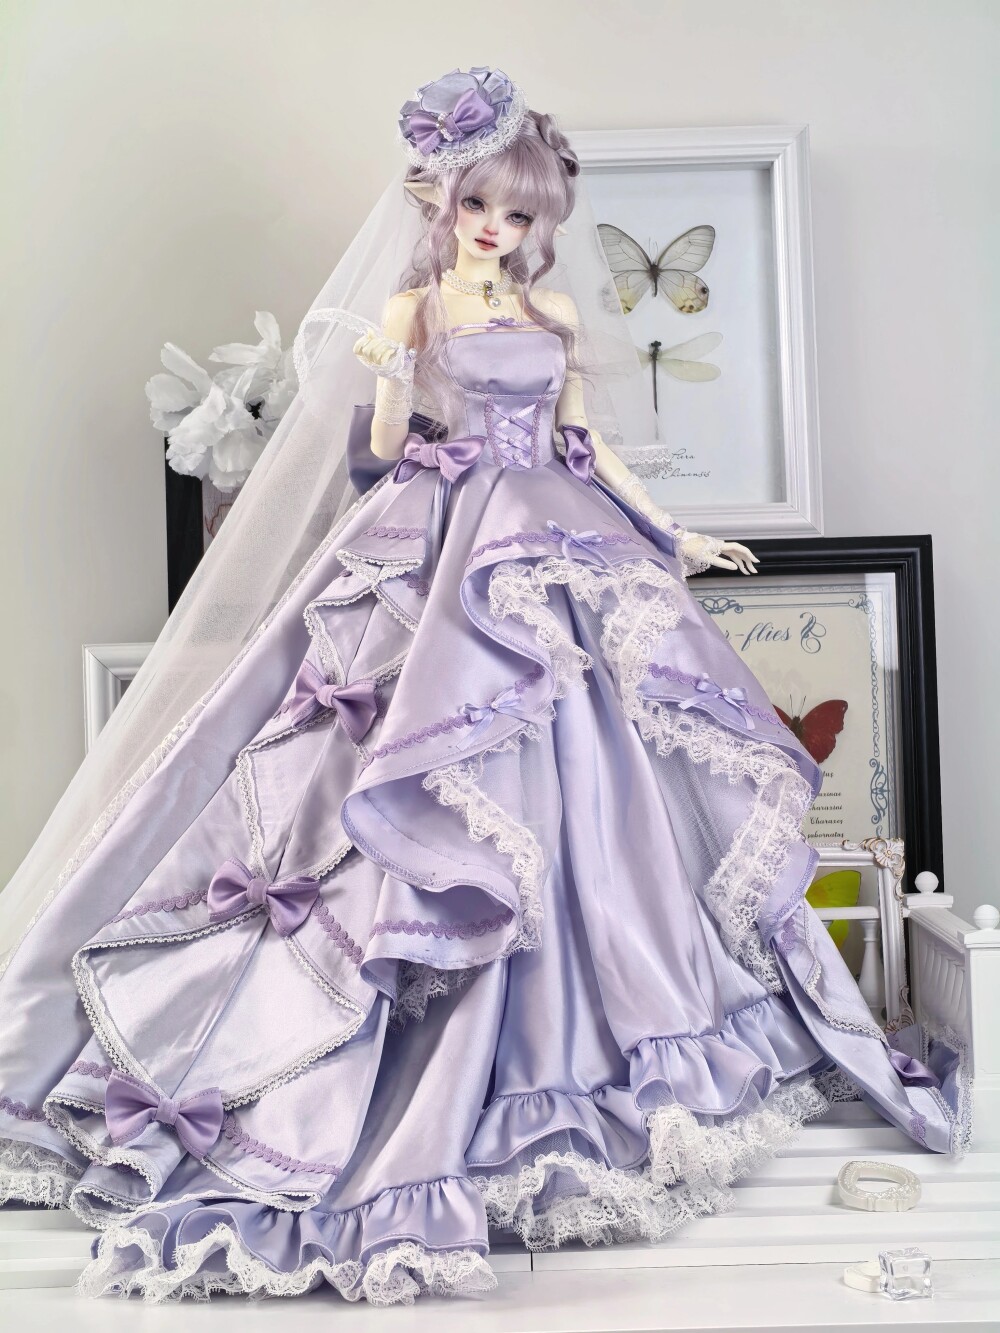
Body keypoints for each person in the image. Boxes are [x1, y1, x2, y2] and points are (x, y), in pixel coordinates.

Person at [0, 66, 964, 1306]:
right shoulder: (411, 309)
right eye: (478, 208)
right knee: (419, 746)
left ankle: (593, 1025)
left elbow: (584, 446)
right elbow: (382, 448)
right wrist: (388, 370)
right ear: (441, 203)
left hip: (547, 531)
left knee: (589, 773)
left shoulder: (549, 309)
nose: (497, 231)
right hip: (445, 532)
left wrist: (670, 533)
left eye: (518, 214)